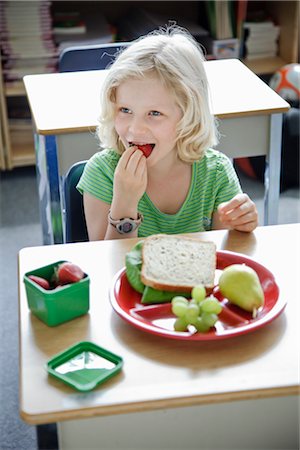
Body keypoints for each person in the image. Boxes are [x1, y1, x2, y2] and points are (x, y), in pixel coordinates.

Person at [77, 26, 258, 240]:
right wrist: (124, 204)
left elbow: (226, 258)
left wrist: (242, 223)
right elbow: (106, 267)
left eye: (154, 113)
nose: (134, 129)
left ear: (189, 116)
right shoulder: (102, 172)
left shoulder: (216, 173)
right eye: (125, 110)